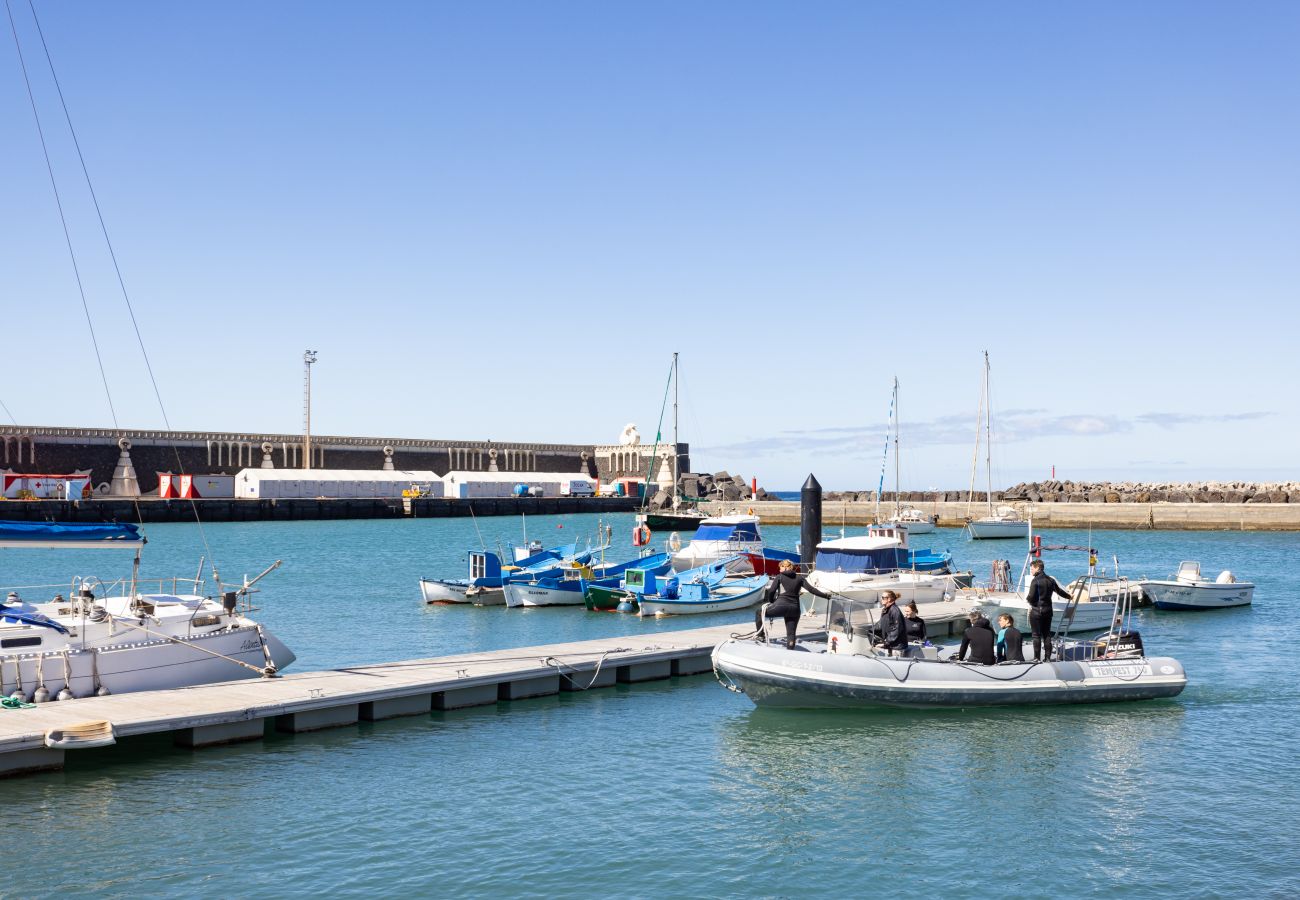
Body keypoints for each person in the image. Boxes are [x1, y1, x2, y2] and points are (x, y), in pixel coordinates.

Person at [756, 559, 829, 650]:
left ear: (785, 567)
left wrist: (771, 602)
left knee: (759, 612)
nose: (779, 569)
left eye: (780, 567)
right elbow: (812, 590)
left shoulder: (780, 577)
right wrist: (826, 596)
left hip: (780, 606)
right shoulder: (800, 578)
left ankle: (760, 636)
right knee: (791, 634)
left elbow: (771, 591)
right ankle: (790, 650)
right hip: (795, 609)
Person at [1024, 559, 1071, 662]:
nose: (1031, 571)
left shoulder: (1035, 580)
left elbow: (1031, 596)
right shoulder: (1051, 580)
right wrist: (1069, 597)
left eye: (1032, 568)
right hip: (1048, 611)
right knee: (1047, 634)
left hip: (1036, 611)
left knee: (1036, 635)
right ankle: (1048, 658)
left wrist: (1028, 600)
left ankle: (1036, 658)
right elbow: (1059, 592)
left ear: (1038, 568)